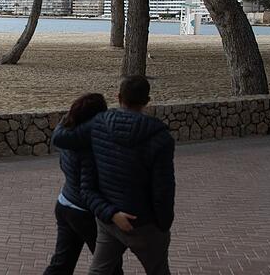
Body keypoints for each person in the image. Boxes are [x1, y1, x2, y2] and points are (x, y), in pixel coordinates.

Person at [52, 75, 175, 275]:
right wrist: (163, 224)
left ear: (118, 97)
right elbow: (164, 188)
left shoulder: (99, 124)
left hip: (107, 219)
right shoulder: (161, 138)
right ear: (147, 101)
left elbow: (61, 138)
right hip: (144, 223)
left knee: (96, 270)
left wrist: (70, 115)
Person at [44, 94, 123, 275]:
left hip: (65, 203)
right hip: (85, 213)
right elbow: (88, 188)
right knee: (110, 268)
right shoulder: (89, 146)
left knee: (61, 265)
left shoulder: (67, 135)